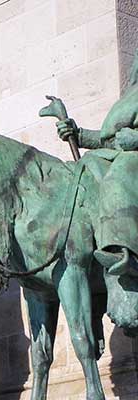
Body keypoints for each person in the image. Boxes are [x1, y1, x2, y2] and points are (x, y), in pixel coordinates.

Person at [57, 49, 138, 274]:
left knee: (117, 178)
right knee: (79, 177)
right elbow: (108, 140)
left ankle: (125, 252)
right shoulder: (130, 95)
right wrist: (78, 133)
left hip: (132, 159)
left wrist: (136, 138)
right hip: (114, 154)